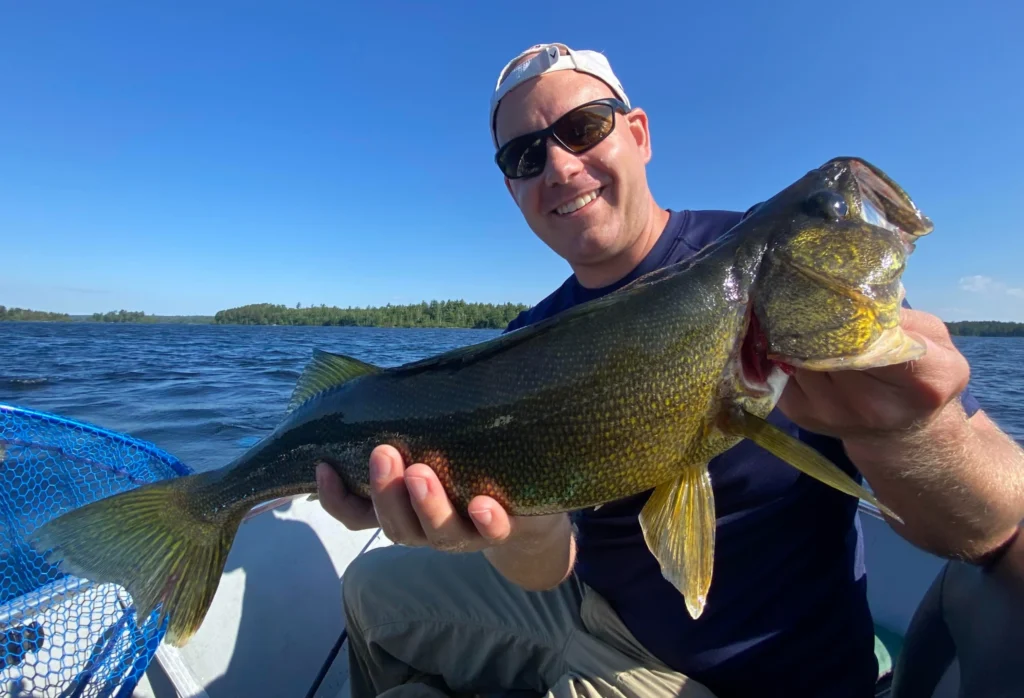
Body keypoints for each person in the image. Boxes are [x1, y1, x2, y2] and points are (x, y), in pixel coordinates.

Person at [314, 43, 1024, 698]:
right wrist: (517, 530)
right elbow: (546, 564)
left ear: (639, 134)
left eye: (584, 126)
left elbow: (993, 526)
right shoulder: (526, 341)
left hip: (737, 677)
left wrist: (919, 433)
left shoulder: (773, 263)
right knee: (373, 588)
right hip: (592, 608)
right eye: (525, 156)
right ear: (512, 189)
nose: (559, 165)